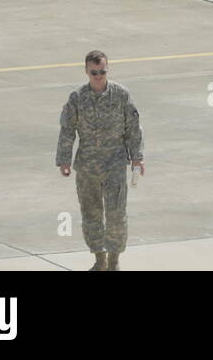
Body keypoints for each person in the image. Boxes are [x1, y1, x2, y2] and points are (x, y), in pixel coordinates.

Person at [55, 50, 144, 271]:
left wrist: (137, 157)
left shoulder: (121, 95)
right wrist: (64, 160)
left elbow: (133, 128)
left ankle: (114, 262)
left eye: (102, 71)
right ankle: (99, 260)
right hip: (87, 167)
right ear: (86, 71)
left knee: (116, 214)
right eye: (94, 72)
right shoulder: (77, 98)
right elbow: (67, 130)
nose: (98, 76)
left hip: (114, 164)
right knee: (91, 213)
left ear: (107, 70)